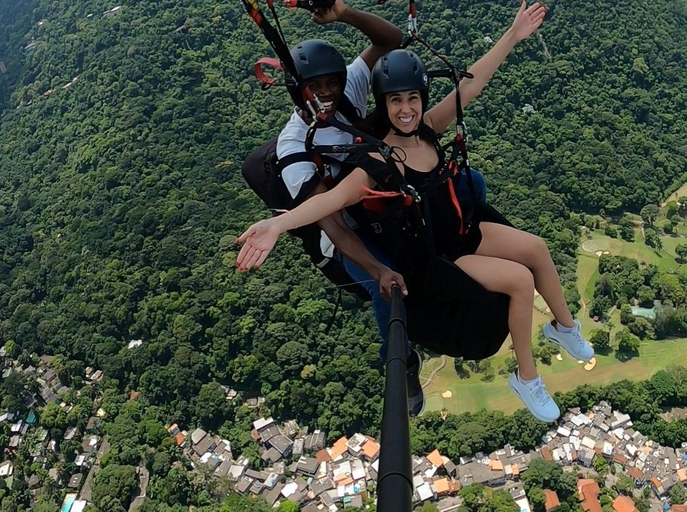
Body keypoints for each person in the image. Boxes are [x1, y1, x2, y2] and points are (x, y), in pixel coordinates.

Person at [236, 1, 593, 423]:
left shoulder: (416, 125)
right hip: (390, 237)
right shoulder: (340, 154)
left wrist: (512, 36)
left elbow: (466, 85)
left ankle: (564, 328)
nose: (327, 93)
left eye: (412, 99)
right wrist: (279, 224)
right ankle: (420, 364)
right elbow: (331, 208)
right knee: (388, 285)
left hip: (449, 225)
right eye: (396, 101)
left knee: (534, 247)